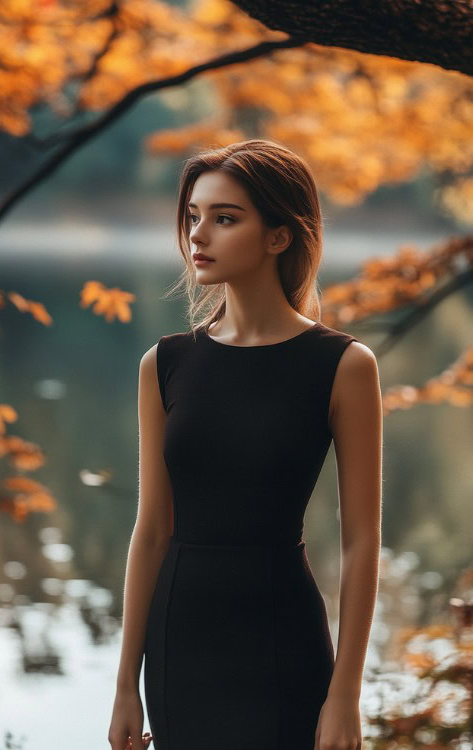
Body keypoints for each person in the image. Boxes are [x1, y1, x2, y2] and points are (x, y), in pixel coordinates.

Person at [108, 138, 382, 750]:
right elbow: (151, 529)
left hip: (283, 640)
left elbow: (362, 540)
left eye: (225, 218)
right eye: (193, 217)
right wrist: (126, 682)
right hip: (180, 642)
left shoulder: (343, 365)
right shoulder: (166, 364)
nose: (199, 235)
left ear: (279, 236)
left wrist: (345, 695)